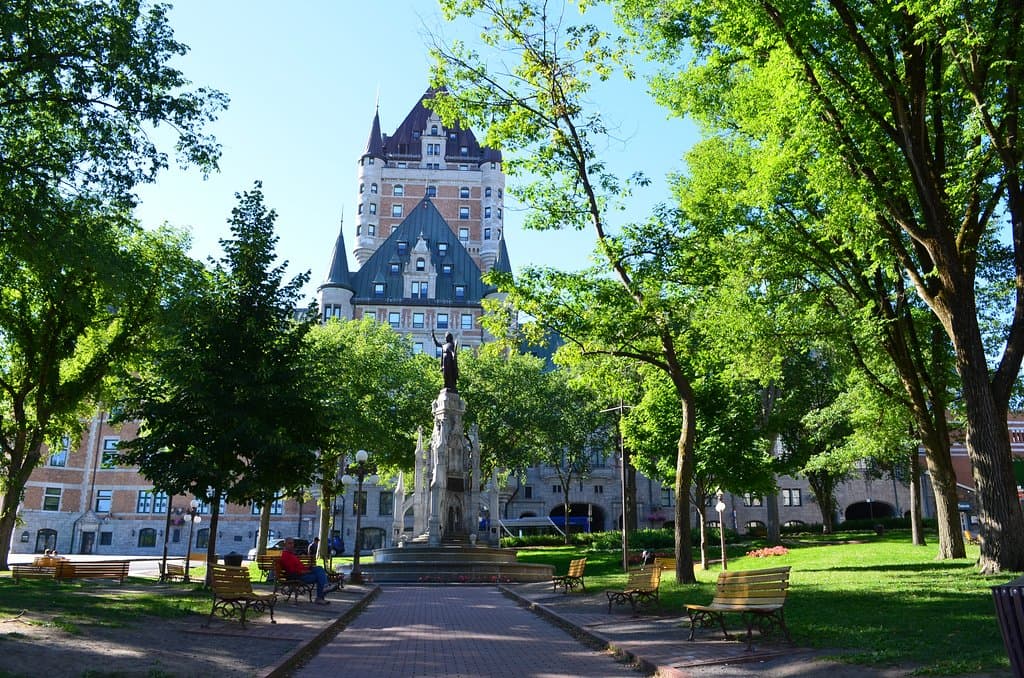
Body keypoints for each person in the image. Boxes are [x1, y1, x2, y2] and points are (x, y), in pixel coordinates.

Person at [280, 537, 331, 604]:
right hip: (298, 576)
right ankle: (322, 593)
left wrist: (308, 568)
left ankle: (323, 591)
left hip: (302, 573)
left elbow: (299, 566)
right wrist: (307, 571)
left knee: (319, 569)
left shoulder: (291, 554)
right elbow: (293, 571)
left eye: (292, 543)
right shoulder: (285, 555)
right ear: (284, 545)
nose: (292, 545)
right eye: (289, 543)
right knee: (320, 576)